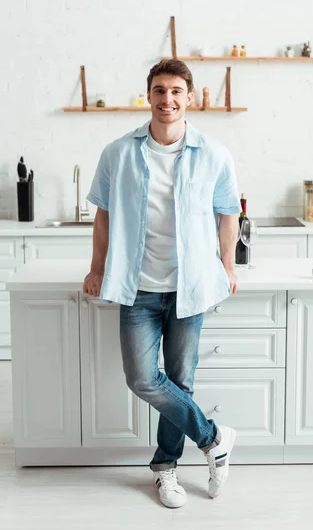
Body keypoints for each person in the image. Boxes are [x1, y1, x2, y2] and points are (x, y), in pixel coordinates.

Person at [83, 59, 241, 508]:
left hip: (191, 287)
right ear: (147, 96)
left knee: (181, 381)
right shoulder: (118, 152)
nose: (167, 100)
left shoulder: (213, 153)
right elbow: (103, 215)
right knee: (141, 378)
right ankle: (213, 439)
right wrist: (97, 268)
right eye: (159, 91)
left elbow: (228, 214)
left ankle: (166, 469)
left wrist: (227, 267)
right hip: (139, 287)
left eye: (175, 91)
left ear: (189, 97)